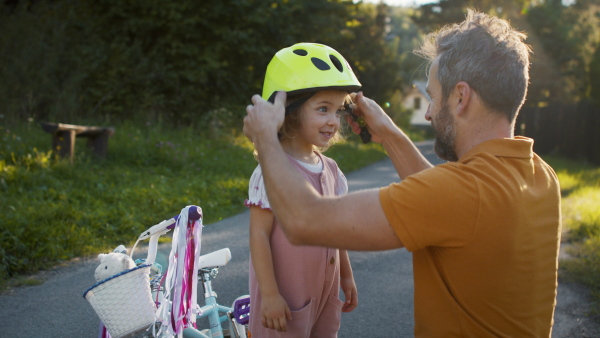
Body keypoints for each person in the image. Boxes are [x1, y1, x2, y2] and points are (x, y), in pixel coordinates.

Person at [243, 10, 562, 337]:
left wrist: (266, 137)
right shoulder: (540, 177)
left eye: (433, 97)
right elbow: (449, 206)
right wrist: (391, 136)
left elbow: (303, 221)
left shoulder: (460, 193)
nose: (427, 111)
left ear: (461, 97)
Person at [245, 42, 360, 337]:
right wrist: (269, 295)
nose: (334, 121)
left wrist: (346, 275)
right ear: (290, 111)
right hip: (285, 299)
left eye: (338, 111)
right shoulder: (271, 169)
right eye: (323, 109)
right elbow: (258, 235)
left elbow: (337, 229)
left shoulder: (331, 169)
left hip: (324, 292)